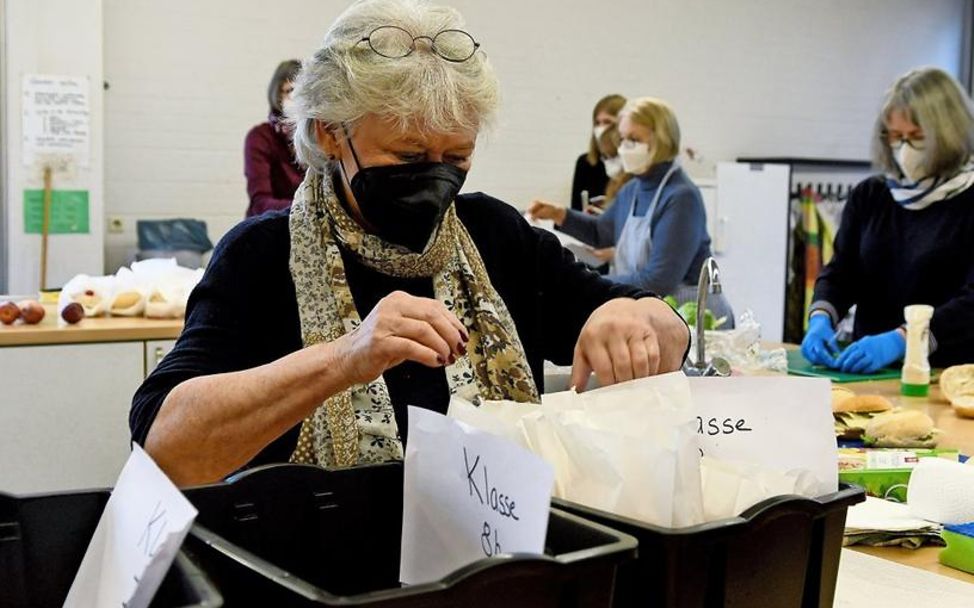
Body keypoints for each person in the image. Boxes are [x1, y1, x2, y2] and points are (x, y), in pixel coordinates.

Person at [130, 0, 690, 487]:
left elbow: (647, 316)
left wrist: (645, 317)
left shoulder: (495, 238)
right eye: (406, 157)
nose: (435, 179)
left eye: (456, 158)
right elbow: (167, 448)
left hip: (484, 568)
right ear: (330, 131)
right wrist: (346, 357)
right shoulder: (261, 255)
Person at [802, 67, 974, 372]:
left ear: (949, 134)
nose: (904, 149)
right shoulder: (872, 196)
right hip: (869, 371)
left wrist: (905, 339)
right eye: (896, 137)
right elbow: (842, 272)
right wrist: (821, 318)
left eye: (917, 138)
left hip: (947, 374)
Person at [528, 97, 733, 322]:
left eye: (634, 140)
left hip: (695, 317)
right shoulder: (633, 188)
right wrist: (559, 214)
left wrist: (586, 282)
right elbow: (601, 232)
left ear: (661, 141)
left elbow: (657, 280)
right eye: (623, 139)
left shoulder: (681, 197)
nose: (624, 148)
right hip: (654, 309)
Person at [244, 59, 304, 217]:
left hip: (310, 225)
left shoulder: (321, 136)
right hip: (269, 226)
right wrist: (308, 208)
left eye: (302, 92)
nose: (297, 98)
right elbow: (260, 203)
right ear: (277, 95)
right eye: (290, 90)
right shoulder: (260, 137)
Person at [570, 94, 627, 211]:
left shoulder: (633, 163)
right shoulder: (585, 162)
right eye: (597, 123)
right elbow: (576, 209)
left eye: (607, 122)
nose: (601, 129)